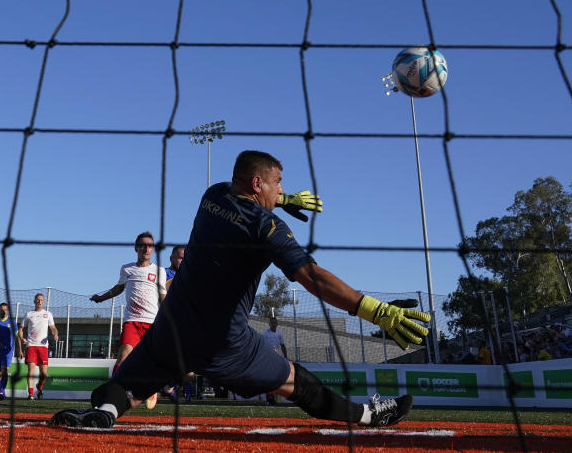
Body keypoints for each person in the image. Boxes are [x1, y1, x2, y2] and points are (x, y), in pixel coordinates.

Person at [52, 149, 428, 429]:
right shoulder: (267, 228)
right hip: (225, 342)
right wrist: (374, 310)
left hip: (174, 328)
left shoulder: (212, 195)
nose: (282, 189)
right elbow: (312, 276)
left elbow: (247, 197)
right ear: (257, 183)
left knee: (125, 385)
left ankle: (102, 414)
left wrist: (285, 198)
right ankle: (368, 415)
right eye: (278, 182)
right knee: (298, 382)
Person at [90, 231, 167, 409]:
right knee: (123, 356)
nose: (146, 248)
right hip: (132, 321)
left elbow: (163, 297)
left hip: (151, 323)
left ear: (153, 249)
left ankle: (151, 389)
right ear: (136, 248)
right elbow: (118, 288)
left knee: (153, 362)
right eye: (142, 245)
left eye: (149, 245)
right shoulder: (127, 268)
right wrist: (101, 298)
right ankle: (112, 392)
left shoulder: (159, 271)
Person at [18, 293, 58, 400]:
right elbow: (21, 329)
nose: (39, 301)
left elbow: (53, 327)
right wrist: (22, 339)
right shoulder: (29, 314)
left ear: (43, 302)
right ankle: (30, 394)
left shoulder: (48, 314)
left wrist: (55, 333)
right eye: (37, 300)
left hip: (43, 346)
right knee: (31, 370)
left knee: (44, 373)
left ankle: (39, 386)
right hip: (31, 345)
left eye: (41, 300)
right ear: (34, 301)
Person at [261, 317, 288, 405]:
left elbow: (283, 345)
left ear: (277, 324)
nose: (273, 324)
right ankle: (269, 398)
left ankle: (273, 397)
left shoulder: (279, 334)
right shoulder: (265, 334)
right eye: (272, 322)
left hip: (276, 358)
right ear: (269, 324)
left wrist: (286, 357)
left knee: (275, 378)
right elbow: (262, 345)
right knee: (269, 378)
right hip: (268, 358)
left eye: (275, 322)